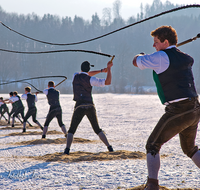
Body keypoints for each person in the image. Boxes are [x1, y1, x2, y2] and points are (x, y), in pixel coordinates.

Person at [132, 25, 200, 189]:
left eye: (156, 42)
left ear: (165, 42)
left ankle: (152, 185)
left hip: (179, 109)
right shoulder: (184, 57)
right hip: (195, 108)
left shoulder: (161, 56)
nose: (153, 46)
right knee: (189, 148)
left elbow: (136, 62)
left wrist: (140, 55)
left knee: (152, 145)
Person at [64, 60, 114, 155]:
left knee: (71, 129)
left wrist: (101, 70)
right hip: (90, 105)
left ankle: (67, 150)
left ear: (81, 68)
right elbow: (108, 82)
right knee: (97, 129)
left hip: (79, 106)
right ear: (89, 69)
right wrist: (108, 69)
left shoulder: (75, 75)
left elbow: (86, 74)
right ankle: (109, 147)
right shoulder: (91, 79)